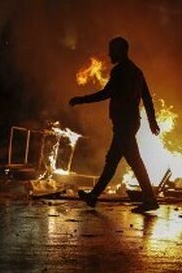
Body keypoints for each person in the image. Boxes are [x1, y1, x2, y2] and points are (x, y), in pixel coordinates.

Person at [69, 37, 161, 213]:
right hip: (130, 122)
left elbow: (106, 93)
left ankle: (150, 199)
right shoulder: (136, 71)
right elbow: (147, 98)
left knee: (134, 161)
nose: (109, 53)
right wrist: (151, 121)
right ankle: (93, 196)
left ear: (120, 51)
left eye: (112, 50)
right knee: (112, 161)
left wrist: (81, 100)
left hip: (124, 124)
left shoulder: (120, 71)